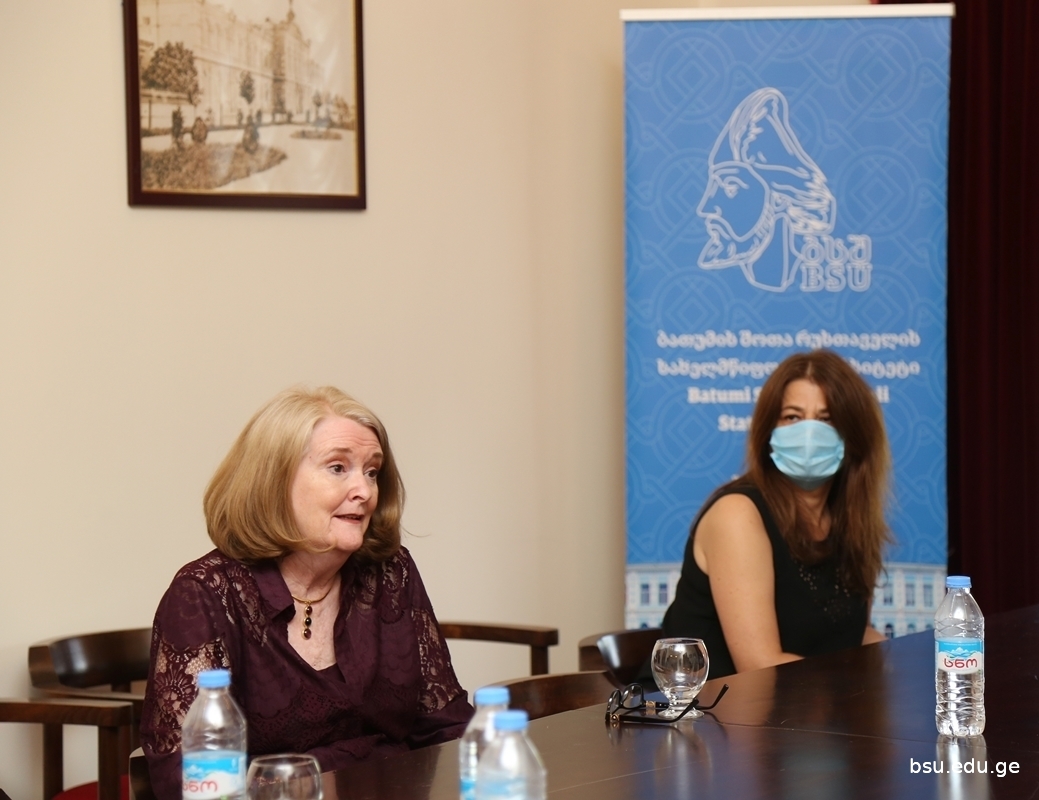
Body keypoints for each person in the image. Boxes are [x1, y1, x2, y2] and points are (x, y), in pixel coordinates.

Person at [140, 386, 473, 797]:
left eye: (372, 471)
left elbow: (447, 727)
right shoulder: (205, 595)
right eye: (338, 468)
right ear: (273, 481)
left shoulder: (390, 572)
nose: (365, 491)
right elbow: (189, 781)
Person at [660, 350, 890, 678]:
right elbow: (760, 667)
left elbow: (852, 635)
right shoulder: (738, 514)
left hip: (807, 705)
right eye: (793, 417)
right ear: (769, 431)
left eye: (826, 419)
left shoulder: (852, 519)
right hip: (704, 705)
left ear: (854, 435)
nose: (809, 434)